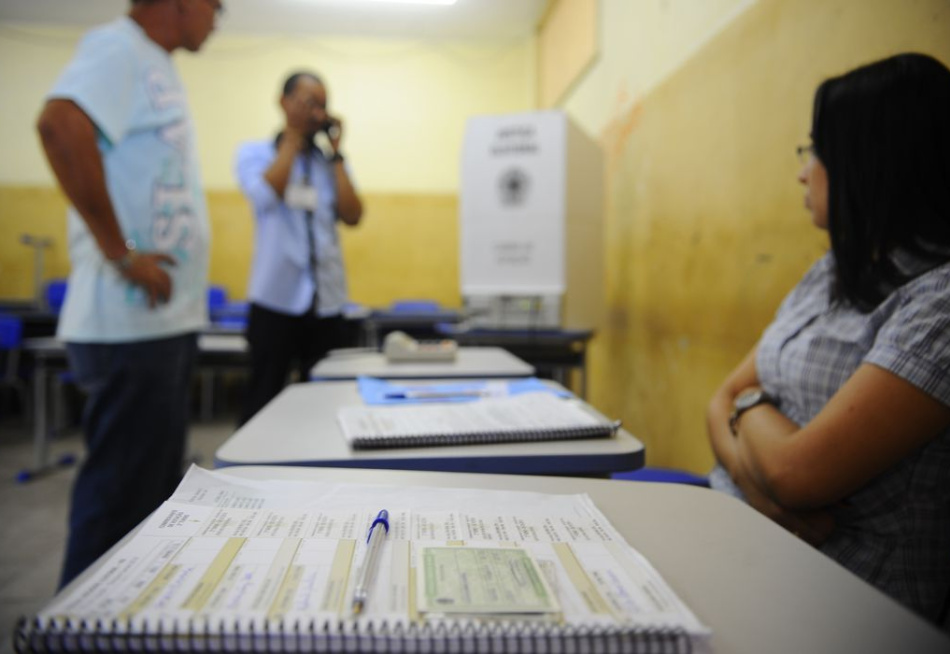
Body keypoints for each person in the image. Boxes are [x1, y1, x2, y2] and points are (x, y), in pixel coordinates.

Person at [706, 53, 950, 623]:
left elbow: (798, 473)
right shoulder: (834, 272)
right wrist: (765, 495)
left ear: (872, 160)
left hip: (842, 603)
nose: (802, 171)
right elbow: (720, 400)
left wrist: (750, 409)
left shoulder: (939, 303)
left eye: (815, 150)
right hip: (749, 535)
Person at [35, 0, 220, 587]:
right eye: (216, 5)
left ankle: (127, 619)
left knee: (148, 502)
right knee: (118, 499)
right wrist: (120, 251)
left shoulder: (155, 62)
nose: (218, 17)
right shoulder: (119, 47)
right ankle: (80, 629)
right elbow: (59, 124)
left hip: (159, 323)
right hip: (128, 323)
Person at [235, 71, 364, 425]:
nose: (317, 114)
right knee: (263, 398)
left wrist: (337, 155)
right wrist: (291, 139)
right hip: (275, 298)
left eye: (322, 105)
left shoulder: (329, 164)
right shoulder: (255, 153)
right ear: (283, 102)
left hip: (327, 301)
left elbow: (353, 215)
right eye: (308, 103)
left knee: (325, 401)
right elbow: (264, 195)